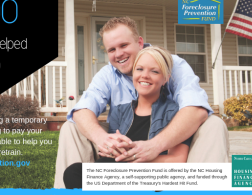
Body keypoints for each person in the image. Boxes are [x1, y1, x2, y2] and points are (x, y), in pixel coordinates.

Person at [54, 17, 229, 189]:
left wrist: (153, 147)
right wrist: (103, 140)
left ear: (139, 42)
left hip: (162, 151)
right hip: (121, 156)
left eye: (123, 45)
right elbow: (82, 109)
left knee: (214, 124)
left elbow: (196, 108)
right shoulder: (108, 75)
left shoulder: (171, 64)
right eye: (111, 49)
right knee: (71, 128)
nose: (118, 54)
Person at [63, 46, 192, 189]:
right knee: (73, 172)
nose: (145, 75)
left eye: (154, 71)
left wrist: (132, 161)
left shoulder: (175, 113)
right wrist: (112, 149)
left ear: (165, 79)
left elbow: (177, 161)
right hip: (113, 175)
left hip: (149, 178)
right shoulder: (120, 110)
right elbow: (111, 156)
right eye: (140, 69)